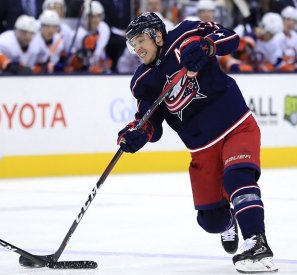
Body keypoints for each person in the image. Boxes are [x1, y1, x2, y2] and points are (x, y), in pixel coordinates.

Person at [117, 12, 278, 273]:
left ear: (157, 35)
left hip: (235, 124)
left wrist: (208, 45)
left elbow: (231, 37)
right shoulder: (142, 81)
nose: (136, 49)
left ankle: (257, 244)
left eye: (139, 41)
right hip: (201, 147)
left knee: (237, 178)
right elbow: (150, 121)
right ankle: (229, 223)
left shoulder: (186, 33)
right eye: (132, 45)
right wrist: (136, 133)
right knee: (211, 221)